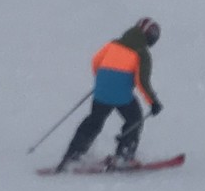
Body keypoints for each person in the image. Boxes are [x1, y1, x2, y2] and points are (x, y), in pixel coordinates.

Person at [55, 18, 161, 171]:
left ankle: (72, 156)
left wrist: (103, 81)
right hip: (121, 95)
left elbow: (96, 61)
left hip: (101, 92)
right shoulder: (142, 53)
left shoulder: (112, 44)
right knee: (134, 119)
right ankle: (124, 157)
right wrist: (153, 102)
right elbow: (142, 82)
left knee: (94, 122)